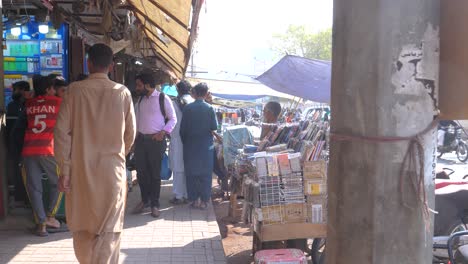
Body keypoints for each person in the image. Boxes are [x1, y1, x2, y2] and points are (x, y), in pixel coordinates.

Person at [54, 43, 136, 263]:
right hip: (112, 172)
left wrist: (65, 169)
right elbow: (130, 135)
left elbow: (61, 134)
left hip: (80, 171)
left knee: (82, 229)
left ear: (88, 63)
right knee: (110, 232)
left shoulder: (74, 91)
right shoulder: (123, 93)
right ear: (110, 66)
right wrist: (118, 155)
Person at [16, 75, 62, 236]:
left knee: (34, 188)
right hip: (48, 149)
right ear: (49, 89)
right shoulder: (57, 103)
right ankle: (50, 216)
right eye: (53, 88)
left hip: (29, 150)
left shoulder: (29, 104)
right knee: (59, 183)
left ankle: (41, 224)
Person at [133, 73, 177, 217]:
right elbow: (136, 123)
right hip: (141, 141)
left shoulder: (162, 98)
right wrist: (133, 141)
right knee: (141, 173)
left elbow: (173, 119)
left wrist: (163, 132)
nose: (137, 88)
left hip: (156, 141)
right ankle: (144, 200)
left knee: (155, 174)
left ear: (147, 85)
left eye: (139, 85)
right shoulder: (139, 101)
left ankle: (155, 204)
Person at [180, 83, 218, 209]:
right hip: (206, 146)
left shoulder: (188, 108)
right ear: (206, 93)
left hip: (190, 146)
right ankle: (204, 201)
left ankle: (194, 199)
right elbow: (214, 127)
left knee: (191, 174)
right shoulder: (209, 108)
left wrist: (186, 142)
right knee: (206, 174)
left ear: (195, 93)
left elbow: (182, 130)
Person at [168, 80, 194, 204]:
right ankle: (188, 193)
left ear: (178, 90)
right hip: (190, 139)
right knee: (187, 167)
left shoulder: (173, 103)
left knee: (178, 167)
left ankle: (179, 195)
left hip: (177, 138)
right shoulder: (193, 102)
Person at [6, 81, 31, 204]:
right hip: (18, 144)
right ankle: (22, 197)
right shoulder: (13, 105)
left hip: (24, 144)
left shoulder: (27, 105)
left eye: (15, 89)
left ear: (22, 90)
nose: (13, 92)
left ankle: (24, 197)